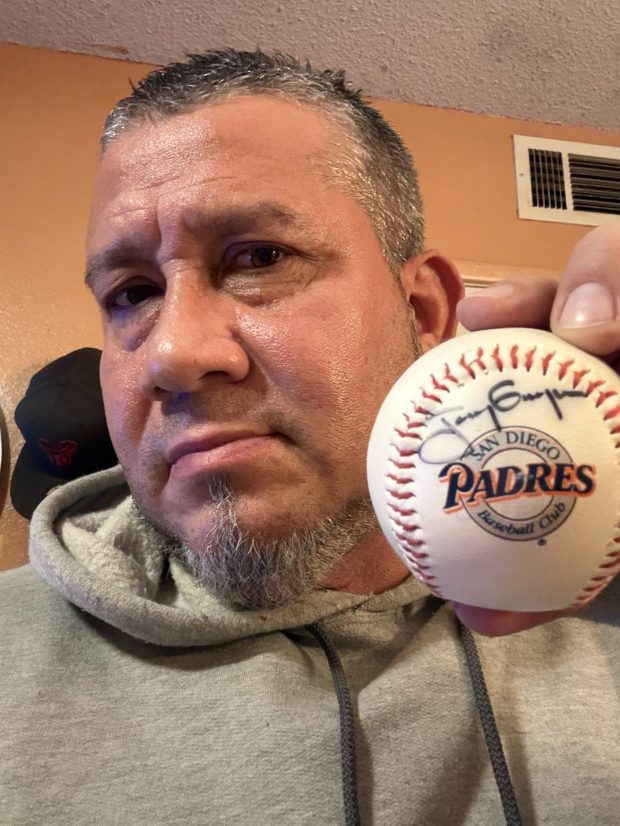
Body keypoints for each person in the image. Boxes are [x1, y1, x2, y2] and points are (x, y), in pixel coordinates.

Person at [1, 50, 617, 826]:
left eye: (259, 258)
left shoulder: (594, 601)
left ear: (423, 311)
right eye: (131, 294)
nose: (173, 354)